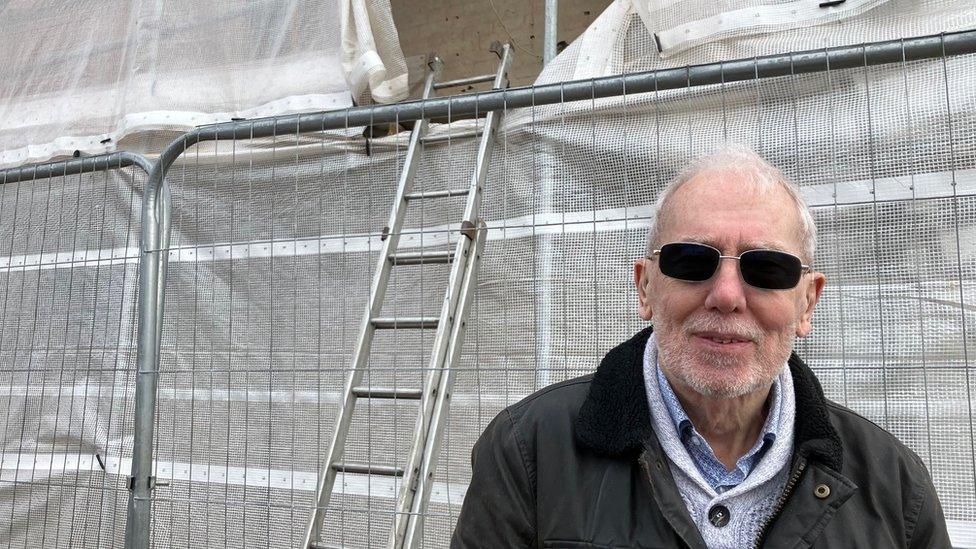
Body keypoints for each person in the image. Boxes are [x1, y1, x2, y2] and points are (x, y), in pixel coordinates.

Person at [450, 145, 950, 548]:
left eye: (767, 269)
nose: (727, 296)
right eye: (691, 260)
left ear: (806, 304)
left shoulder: (896, 487)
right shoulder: (529, 452)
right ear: (645, 288)